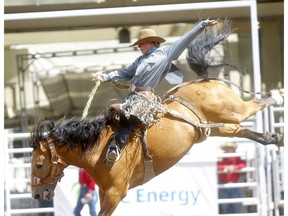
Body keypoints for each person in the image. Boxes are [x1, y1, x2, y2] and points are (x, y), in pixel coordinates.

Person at [95, 19, 217, 162]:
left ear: (151, 42)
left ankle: (116, 147)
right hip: (132, 97)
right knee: (110, 116)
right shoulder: (139, 60)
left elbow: (184, 40)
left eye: (141, 43)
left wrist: (202, 25)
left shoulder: (165, 54)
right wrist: (106, 76)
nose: (139, 46)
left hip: (145, 98)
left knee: (129, 116)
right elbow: (125, 73)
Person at [217, 142, 247, 214]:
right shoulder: (221, 158)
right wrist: (226, 167)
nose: (229, 149)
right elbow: (217, 166)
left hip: (234, 185)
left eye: (230, 147)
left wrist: (234, 167)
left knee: (236, 206)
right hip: (224, 184)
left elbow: (243, 164)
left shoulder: (237, 157)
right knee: (225, 206)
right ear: (225, 149)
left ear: (233, 149)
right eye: (227, 148)